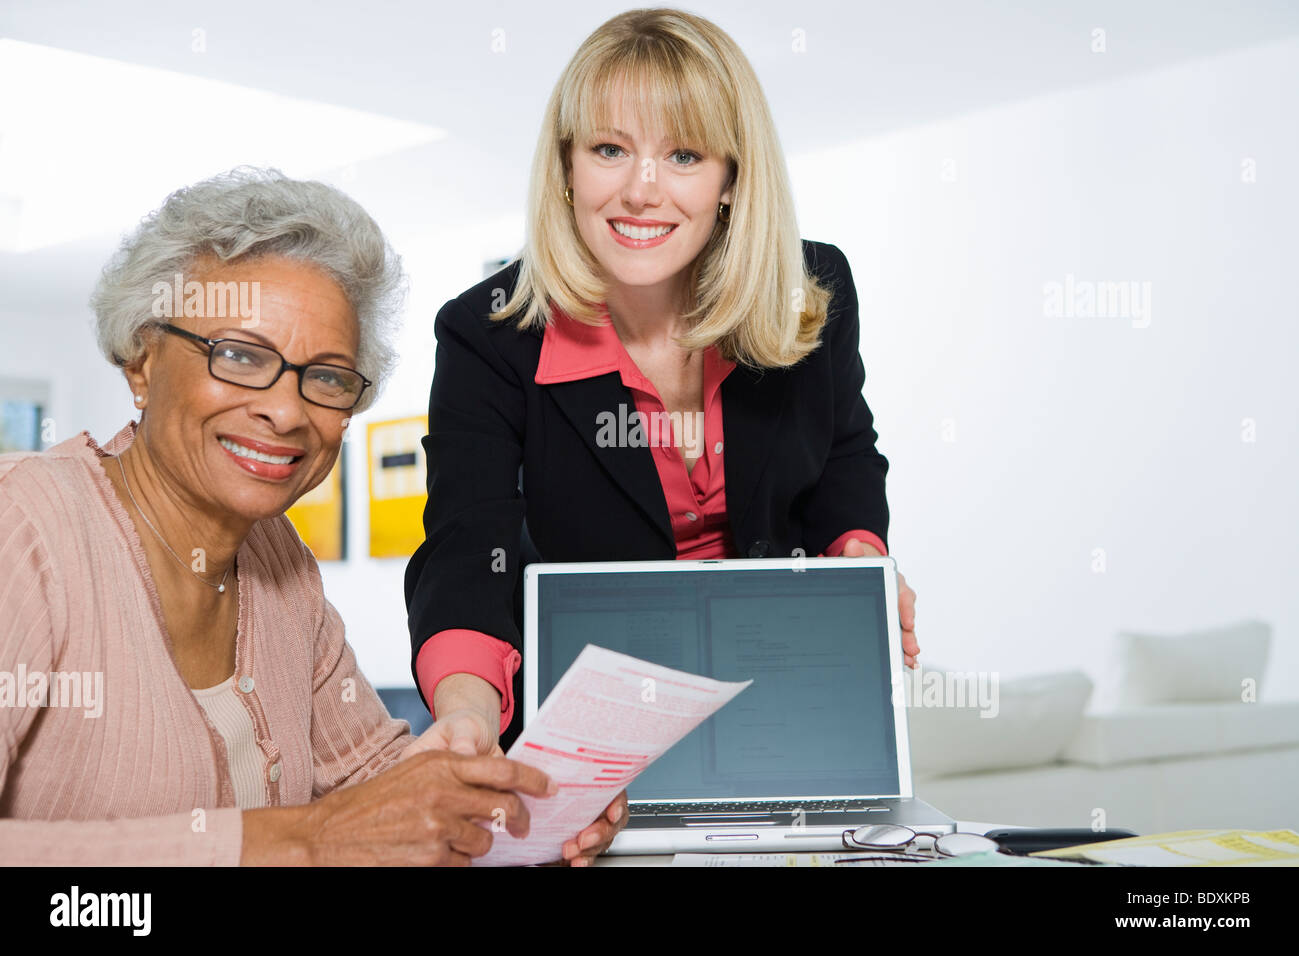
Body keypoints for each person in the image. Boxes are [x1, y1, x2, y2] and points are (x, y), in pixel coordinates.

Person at [404, 8, 920, 864]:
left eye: (683, 154)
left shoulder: (813, 286)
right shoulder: (489, 332)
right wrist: (462, 719)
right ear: (567, 168)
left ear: (730, 177)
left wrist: (859, 555)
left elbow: (843, 455)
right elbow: (468, 543)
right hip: (593, 750)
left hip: (784, 712)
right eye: (609, 149)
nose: (642, 189)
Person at [0, 167, 578, 866]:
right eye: (240, 356)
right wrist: (304, 841)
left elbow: (376, 780)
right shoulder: (24, 529)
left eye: (328, 376)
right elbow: (331, 835)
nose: (285, 410)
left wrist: (536, 803)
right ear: (141, 361)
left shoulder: (278, 562)